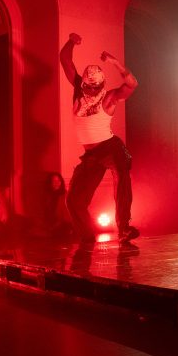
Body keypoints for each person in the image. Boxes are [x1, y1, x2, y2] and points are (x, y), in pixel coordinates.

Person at [60, 32, 139, 245]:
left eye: (95, 87)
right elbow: (65, 60)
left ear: (101, 85)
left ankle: (123, 228)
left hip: (110, 147)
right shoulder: (78, 89)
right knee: (73, 200)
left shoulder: (110, 97)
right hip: (92, 155)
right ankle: (87, 238)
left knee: (121, 176)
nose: (91, 91)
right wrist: (71, 42)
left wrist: (115, 63)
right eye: (88, 86)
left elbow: (132, 84)